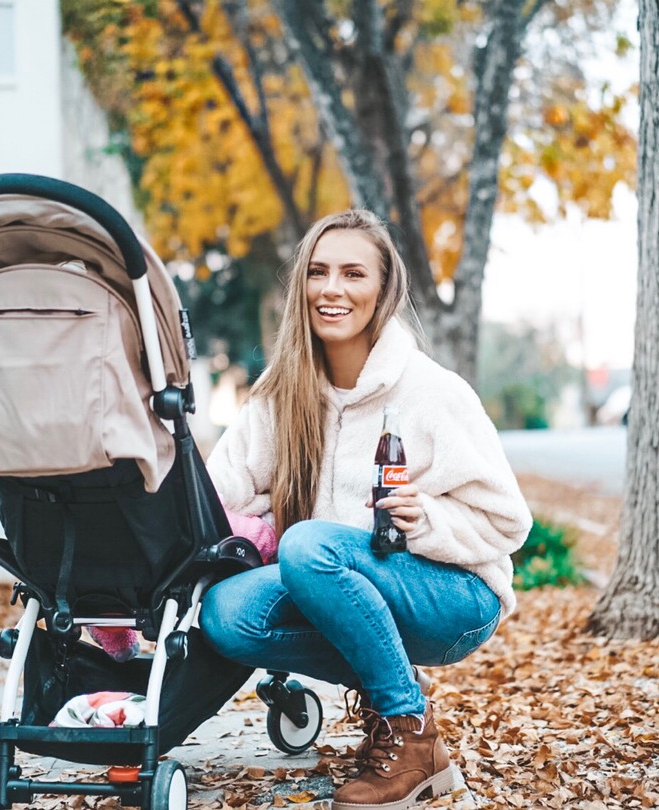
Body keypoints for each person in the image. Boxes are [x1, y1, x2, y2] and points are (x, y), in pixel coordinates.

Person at [199, 210, 532, 810]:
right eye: (319, 272)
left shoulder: (432, 392)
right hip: (337, 580)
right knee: (226, 614)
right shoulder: (282, 391)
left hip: (452, 596)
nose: (332, 289)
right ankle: (396, 685)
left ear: (384, 291)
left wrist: (425, 515)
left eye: (354, 273)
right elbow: (220, 492)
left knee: (309, 546)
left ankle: (409, 731)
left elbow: (509, 523)